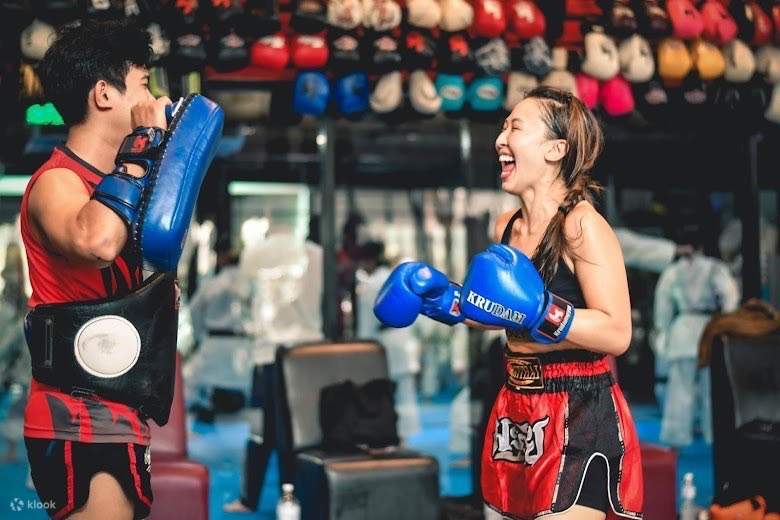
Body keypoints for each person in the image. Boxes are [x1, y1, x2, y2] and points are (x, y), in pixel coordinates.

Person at [374, 86, 643, 519]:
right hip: (517, 403)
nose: (500, 139)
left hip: (580, 405)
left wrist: (542, 311)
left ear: (557, 149)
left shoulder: (581, 225)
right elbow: (497, 311)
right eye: (502, 127)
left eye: (515, 127)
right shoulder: (508, 225)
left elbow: (617, 332)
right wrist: (445, 300)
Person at [19, 19, 221, 519]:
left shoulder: (128, 189)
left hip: (122, 405)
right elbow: (96, 241)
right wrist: (142, 145)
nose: (153, 99)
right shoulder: (57, 182)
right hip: (78, 412)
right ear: (105, 95)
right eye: (143, 85)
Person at [653, 225, 739, 448]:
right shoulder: (714, 268)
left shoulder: (672, 271)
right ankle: (714, 433)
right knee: (711, 388)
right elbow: (730, 296)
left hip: (682, 329)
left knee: (679, 388)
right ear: (703, 245)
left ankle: (677, 435)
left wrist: (662, 330)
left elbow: (662, 305)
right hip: (708, 329)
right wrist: (726, 321)